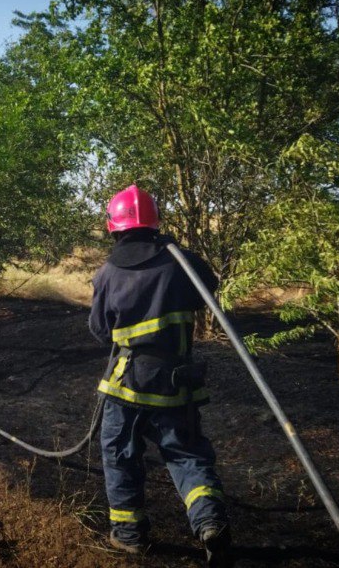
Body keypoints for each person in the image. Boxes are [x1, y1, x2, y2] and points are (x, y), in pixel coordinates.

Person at [88, 185, 231, 565]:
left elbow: (100, 331)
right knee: (186, 455)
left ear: (113, 227)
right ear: (155, 223)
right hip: (176, 383)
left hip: (127, 383)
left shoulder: (106, 273)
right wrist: (175, 249)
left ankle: (130, 534)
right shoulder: (180, 263)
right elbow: (209, 286)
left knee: (118, 454)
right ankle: (209, 522)